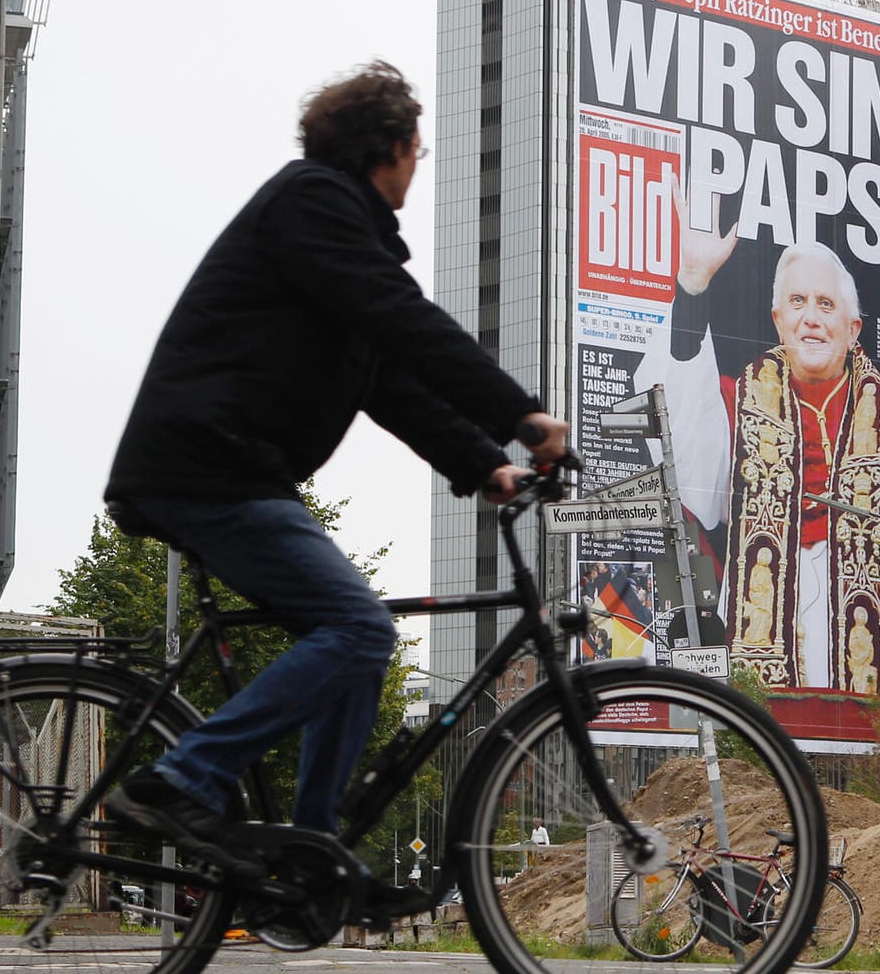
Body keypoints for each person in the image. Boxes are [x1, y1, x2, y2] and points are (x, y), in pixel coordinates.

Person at [101, 61, 568, 900]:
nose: (417, 168)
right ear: (388, 149)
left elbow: (388, 378)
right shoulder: (313, 206)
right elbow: (405, 322)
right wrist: (524, 415)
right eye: (417, 152)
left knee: (354, 637)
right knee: (357, 629)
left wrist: (483, 462)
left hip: (234, 466)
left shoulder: (333, 232)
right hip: (209, 466)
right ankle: (180, 779)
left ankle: (311, 856)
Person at [644, 180, 880, 700]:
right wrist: (693, 285)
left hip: (874, 630)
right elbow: (694, 478)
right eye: (797, 302)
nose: (811, 317)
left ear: (853, 328)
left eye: (825, 304)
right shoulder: (736, 399)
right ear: (778, 320)